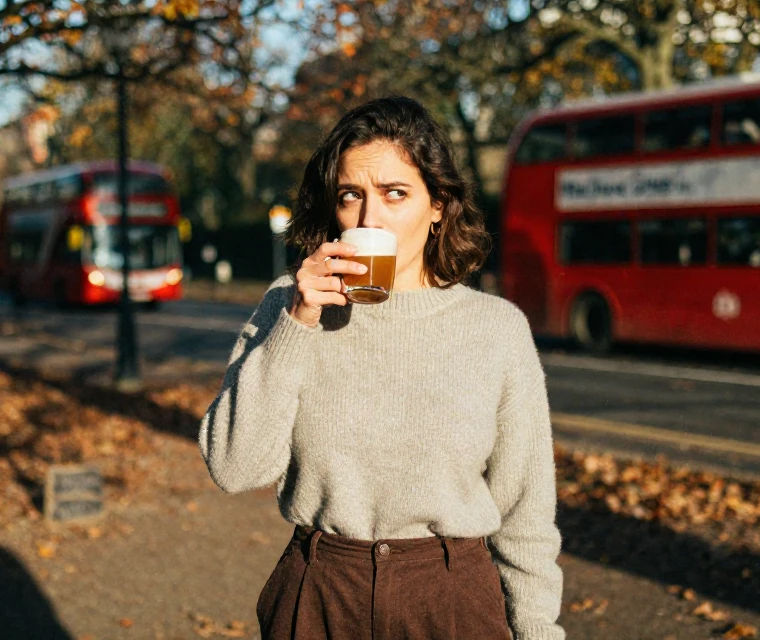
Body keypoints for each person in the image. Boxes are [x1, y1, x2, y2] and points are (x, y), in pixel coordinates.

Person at [199, 96, 564, 639]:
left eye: (396, 193)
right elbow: (235, 468)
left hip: (452, 598)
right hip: (321, 592)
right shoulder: (289, 306)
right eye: (352, 196)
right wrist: (297, 323)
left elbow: (526, 515)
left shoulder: (495, 329)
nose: (371, 218)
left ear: (438, 204)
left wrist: (538, 634)